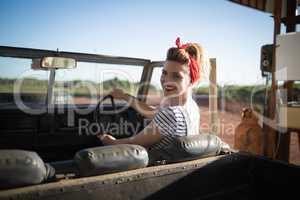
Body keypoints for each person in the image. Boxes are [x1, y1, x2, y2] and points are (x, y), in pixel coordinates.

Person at [97, 37, 204, 162]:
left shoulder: (171, 115)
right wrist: (124, 96)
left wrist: (107, 140)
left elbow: (134, 144)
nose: (167, 80)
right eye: (164, 73)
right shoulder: (191, 107)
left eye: (176, 76)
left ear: (192, 80)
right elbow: (152, 112)